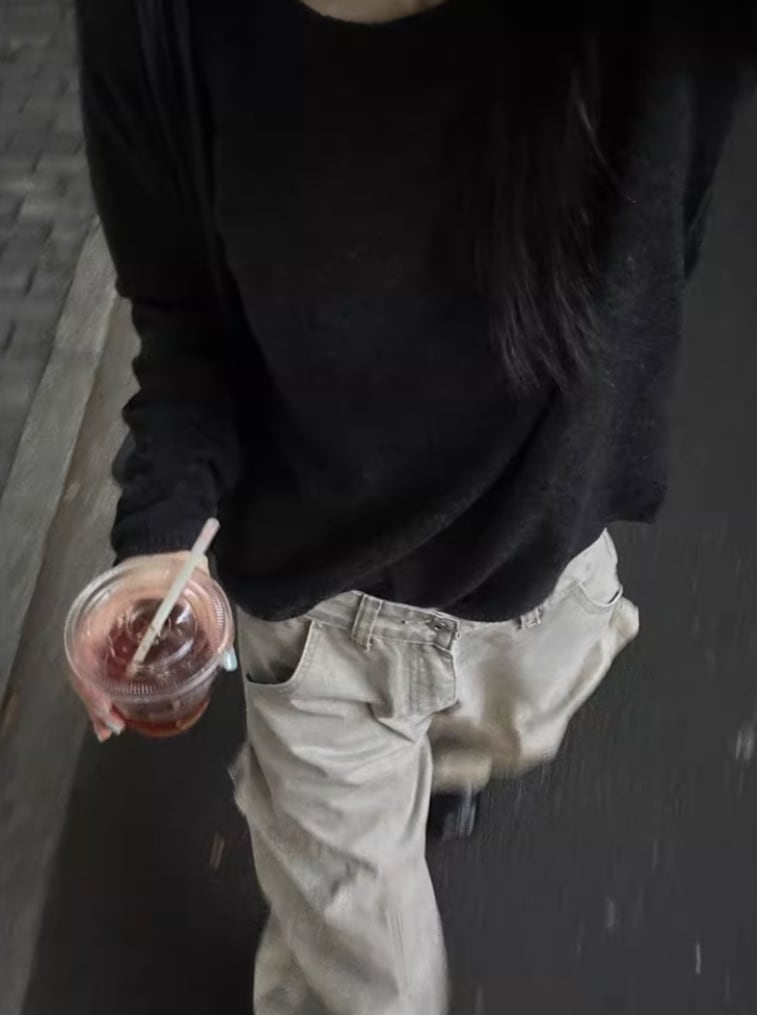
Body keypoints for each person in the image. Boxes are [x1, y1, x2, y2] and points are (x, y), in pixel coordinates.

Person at [72, 0, 755, 1011]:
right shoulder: (152, 22)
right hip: (314, 623)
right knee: (364, 981)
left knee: (503, 737)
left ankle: (449, 770)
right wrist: (157, 539)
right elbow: (180, 323)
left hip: (546, 579)